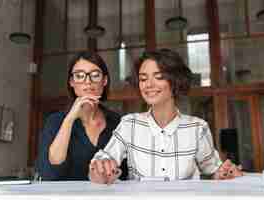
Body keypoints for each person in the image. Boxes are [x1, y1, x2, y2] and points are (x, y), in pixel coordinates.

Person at [89, 48, 243, 184]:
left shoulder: (197, 128)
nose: (148, 84)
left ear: (175, 82)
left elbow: (212, 171)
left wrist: (225, 173)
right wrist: (100, 170)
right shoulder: (130, 124)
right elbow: (101, 162)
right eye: (143, 79)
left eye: (159, 77)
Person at [37, 50, 128, 180]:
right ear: (71, 82)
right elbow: (50, 173)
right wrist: (69, 119)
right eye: (79, 76)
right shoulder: (55, 121)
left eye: (95, 75)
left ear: (105, 81)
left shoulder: (119, 122)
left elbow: (125, 173)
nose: (88, 81)